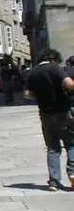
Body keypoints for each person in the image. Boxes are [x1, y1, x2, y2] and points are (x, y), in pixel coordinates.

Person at [25, 49, 74, 191]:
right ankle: (73, 172)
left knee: (52, 147)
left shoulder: (33, 72)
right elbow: (69, 84)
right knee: (71, 143)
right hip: (63, 112)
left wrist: (42, 96)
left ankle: (54, 182)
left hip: (45, 113)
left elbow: (28, 94)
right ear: (53, 58)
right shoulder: (55, 68)